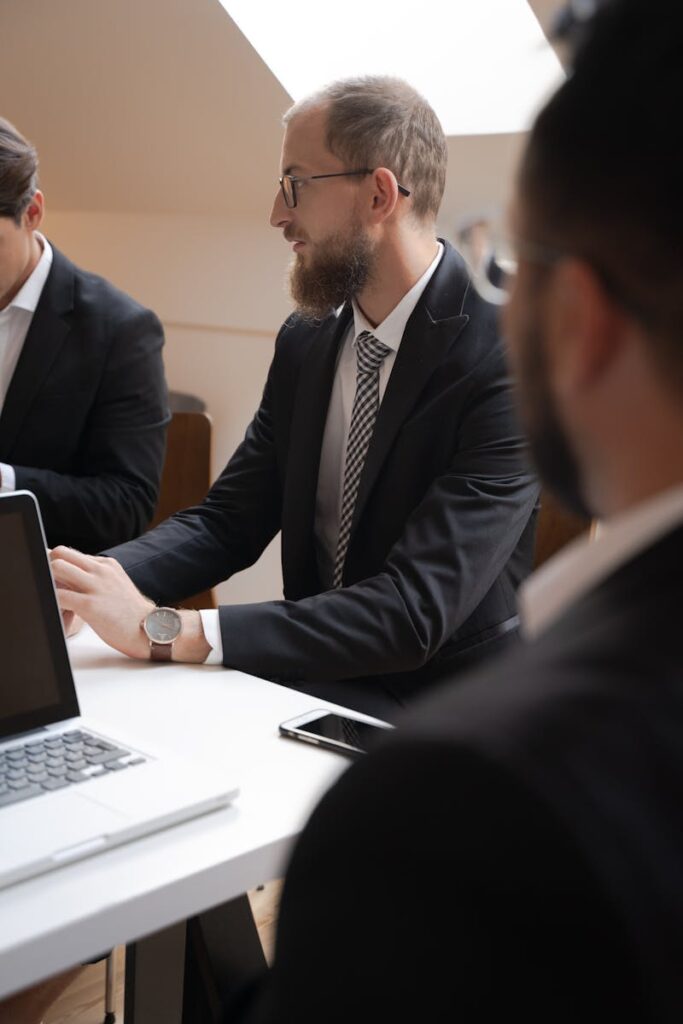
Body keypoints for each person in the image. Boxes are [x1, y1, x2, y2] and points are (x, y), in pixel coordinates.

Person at [51, 77, 538, 716]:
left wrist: (165, 630)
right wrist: (78, 585)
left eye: (295, 185)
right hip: (306, 687)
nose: (278, 214)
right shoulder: (307, 340)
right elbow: (227, 521)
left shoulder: (511, 359)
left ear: (379, 194)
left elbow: (413, 611)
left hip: (446, 715)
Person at [0, 117, 169, 552]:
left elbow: (126, 505)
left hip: (32, 580)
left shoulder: (122, 331)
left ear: (32, 212)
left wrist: (5, 481)